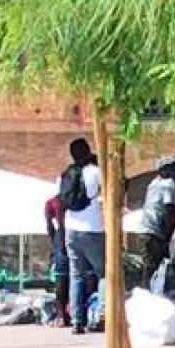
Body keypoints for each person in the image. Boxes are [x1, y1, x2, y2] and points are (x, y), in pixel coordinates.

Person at [62, 138, 105, 335]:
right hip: (93, 228)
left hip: (71, 228)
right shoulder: (95, 172)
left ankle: (77, 321)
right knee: (104, 273)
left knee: (76, 275)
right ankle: (103, 315)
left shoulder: (66, 174)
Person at [141, 156, 175, 284]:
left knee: (150, 267)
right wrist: (174, 235)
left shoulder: (154, 183)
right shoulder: (168, 184)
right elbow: (168, 211)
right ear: (168, 171)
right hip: (157, 233)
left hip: (147, 230)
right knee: (157, 268)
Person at [43, 196, 70, 327]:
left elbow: (49, 225)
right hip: (81, 231)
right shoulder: (79, 197)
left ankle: (61, 315)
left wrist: (55, 242)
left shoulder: (52, 201)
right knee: (81, 276)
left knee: (61, 275)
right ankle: (79, 314)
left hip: (61, 237)